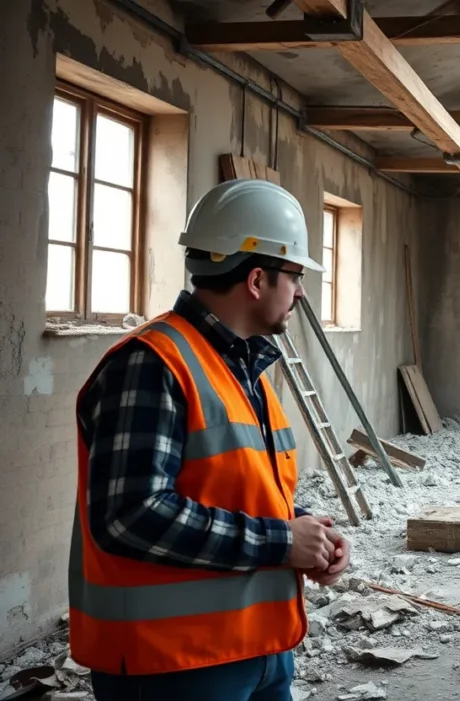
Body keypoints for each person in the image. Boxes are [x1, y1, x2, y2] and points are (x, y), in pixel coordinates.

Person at [69, 179, 350, 701]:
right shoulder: (152, 364)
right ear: (259, 279)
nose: (302, 292)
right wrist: (282, 542)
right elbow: (129, 515)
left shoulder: (244, 368)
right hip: (174, 665)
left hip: (258, 650)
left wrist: (308, 531)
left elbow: (246, 487)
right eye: (296, 276)